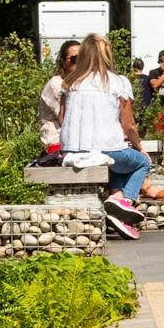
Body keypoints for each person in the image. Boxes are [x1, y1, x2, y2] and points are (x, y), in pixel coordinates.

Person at [57, 38, 154, 238]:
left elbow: (61, 117)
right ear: (107, 55)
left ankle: (116, 199)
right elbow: (129, 125)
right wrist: (140, 147)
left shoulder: (70, 82)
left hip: (71, 151)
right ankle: (125, 203)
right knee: (141, 162)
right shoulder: (117, 82)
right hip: (107, 149)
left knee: (117, 160)